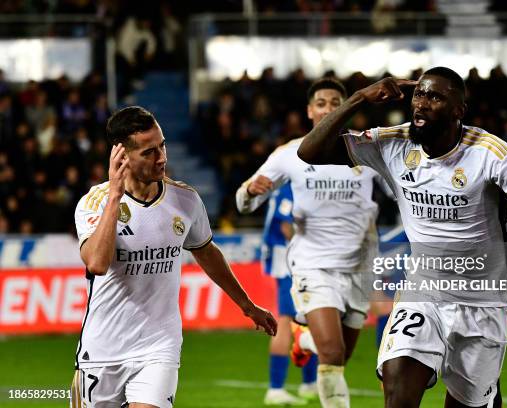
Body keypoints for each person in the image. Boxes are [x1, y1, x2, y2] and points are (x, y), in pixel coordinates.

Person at [297, 67, 507, 408]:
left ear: (458, 110)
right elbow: (310, 152)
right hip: (423, 292)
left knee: (470, 403)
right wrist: (360, 97)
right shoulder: (392, 143)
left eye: (435, 96)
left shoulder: (490, 153)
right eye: (419, 95)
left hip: (482, 301)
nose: (421, 103)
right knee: (398, 389)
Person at [70, 106, 276, 408]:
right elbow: (97, 263)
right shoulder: (94, 202)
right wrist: (115, 195)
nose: (162, 157)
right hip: (103, 351)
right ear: (122, 157)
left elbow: (206, 251)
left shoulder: (185, 199)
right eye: (149, 152)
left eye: (162, 146)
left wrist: (246, 305)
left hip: (159, 345)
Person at [236, 78, 384, 408]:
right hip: (312, 264)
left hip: (359, 267)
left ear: (347, 109)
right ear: (309, 111)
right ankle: (309, 342)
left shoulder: (369, 150)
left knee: (339, 358)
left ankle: (304, 338)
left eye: (336, 103)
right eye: (321, 103)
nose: (328, 109)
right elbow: (242, 203)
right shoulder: (289, 154)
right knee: (331, 352)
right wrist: (249, 192)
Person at [261, 181, 319, 405]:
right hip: (289, 261)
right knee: (286, 321)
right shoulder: (291, 187)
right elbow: (287, 228)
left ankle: (309, 383)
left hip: (290, 260)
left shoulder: (290, 185)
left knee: (311, 318)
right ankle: (275, 389)